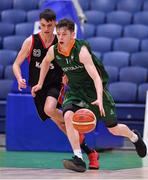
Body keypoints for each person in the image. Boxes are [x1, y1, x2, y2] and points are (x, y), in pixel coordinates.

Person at [32, 18, 147, 173]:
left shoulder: (81, 51)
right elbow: (45, 62)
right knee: (68, 116)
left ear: (73, 34)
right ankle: (78, 158)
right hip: (76, 91)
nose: (60, 37)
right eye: (58, 34)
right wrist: (40, 83)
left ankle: (134, 137)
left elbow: (96, 77)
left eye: (64, 34)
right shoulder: (54, 50)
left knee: (113, 129)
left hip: (94, 90)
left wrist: (99, 98)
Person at [13, 10, 99, 170]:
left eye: (49, 25)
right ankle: (90, 152)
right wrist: (19, 78)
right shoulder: (31, 41)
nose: (46, 29)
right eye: (43, 25)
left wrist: (67, 74)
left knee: (50, 109)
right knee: (62, 126)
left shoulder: (60, 41)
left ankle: (75, 122)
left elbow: (71, 61)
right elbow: (16, 64)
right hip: (38, 88)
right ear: (39, 24)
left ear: (54, 25)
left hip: (55, 84)